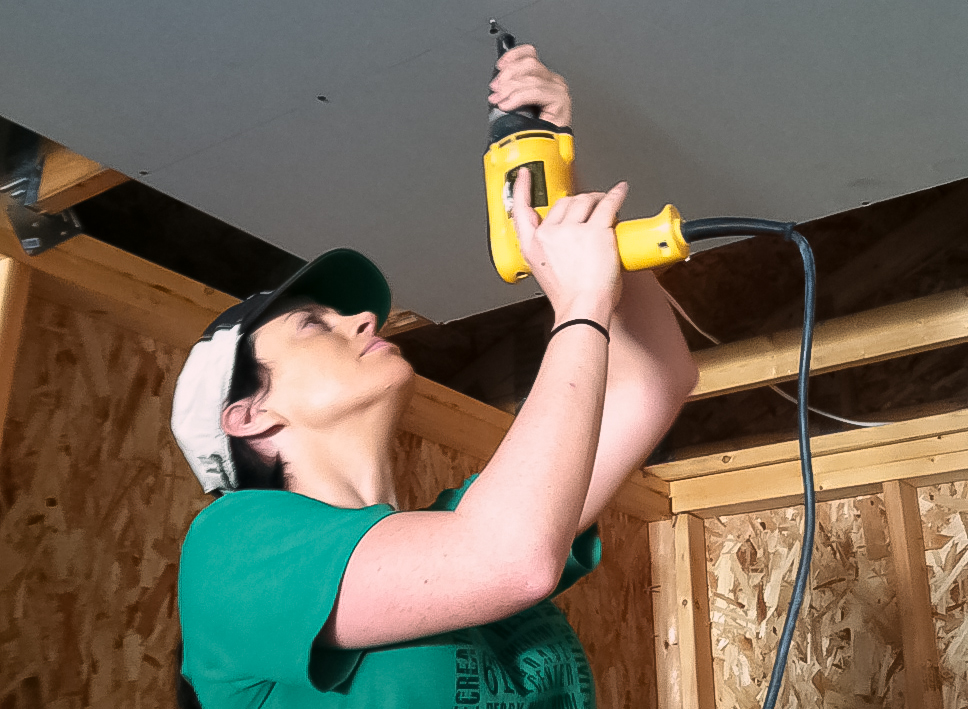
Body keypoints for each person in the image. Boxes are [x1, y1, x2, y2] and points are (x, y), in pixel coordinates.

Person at [171, 45, 698, 708]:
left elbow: (653, 382)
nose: (362, 318)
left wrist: (561, 171)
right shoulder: (232, 549)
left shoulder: (465, 524)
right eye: (313, 323)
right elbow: (512, 557)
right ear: (250, 415)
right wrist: (581, 304)